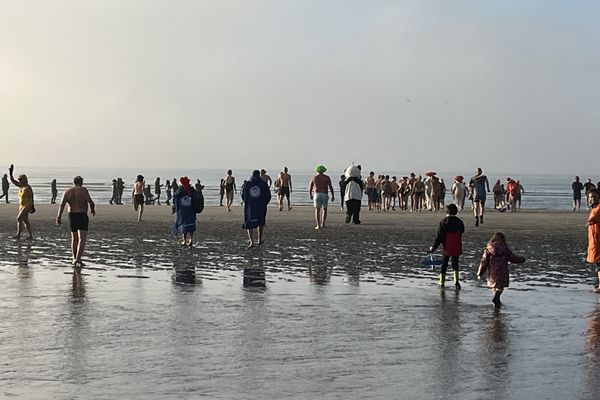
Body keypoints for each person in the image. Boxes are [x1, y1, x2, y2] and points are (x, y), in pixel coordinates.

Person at [477, 232, 525, 308]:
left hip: (492, 272)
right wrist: (522, 259)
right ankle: (497, 298)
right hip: (502, 271)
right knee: (500, 287)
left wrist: (480, 273)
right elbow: (513, 258)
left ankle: (496, 300)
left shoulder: (489, 249)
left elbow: (484, 261)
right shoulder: (505, 249)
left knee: (494, 287)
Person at [55, 176, 96, 267]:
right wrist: (92, 209)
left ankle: (74, 258)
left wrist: (59, 217)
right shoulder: (83, 190)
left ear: (73, 182)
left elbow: (61, 205)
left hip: (72, 215)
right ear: (81, 182)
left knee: (74, 238)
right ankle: (78, 258)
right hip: (81, 215)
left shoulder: (67, 191)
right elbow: (90, 202)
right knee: (82, 239)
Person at [429, 204, 465, 289]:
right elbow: (462, 231)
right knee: (455, 263)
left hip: (447, 246)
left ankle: (442, 282)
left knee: (444, 264)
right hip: (456, 245)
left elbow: (439, 237)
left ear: (447, 211)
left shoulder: (443, 222)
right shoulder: (460, 222)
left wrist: (433, 247)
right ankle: (456, 281)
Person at [241, 170, 271, 247]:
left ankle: (251, 241)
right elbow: (268, 195)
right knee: (260, 223)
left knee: (249, 223)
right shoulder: (263, 184)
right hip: (260, 206)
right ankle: (259, 239)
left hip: (250, 206)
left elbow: (242, 194)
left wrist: (246, 202)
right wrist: (264, 203)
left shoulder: (247, 184)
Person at [9, 164, 35, 240]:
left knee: (19, 218)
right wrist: (11, 172)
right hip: (21, 205)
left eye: (24, 179)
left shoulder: (27, 187)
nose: (24, 180)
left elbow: (31, 197)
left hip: (27, 205)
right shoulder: (21, 186)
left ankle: (19, 235)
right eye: (22, 179)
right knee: (25, 221)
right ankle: (28, 236)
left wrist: (32, 206)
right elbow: (12, 180)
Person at [171, 177, 197, 246]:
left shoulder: (180, 191)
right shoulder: (191, 190)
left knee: (184, 225)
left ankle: (184, 240)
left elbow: (175, 200)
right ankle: (191, 240)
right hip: (191, 211)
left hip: (182, 212)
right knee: (191, 225)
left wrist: (174, 208)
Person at [309, 165, 335, 230]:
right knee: (325, 209)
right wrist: (333, 195)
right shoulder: (327, 177)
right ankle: (323, 223)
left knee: (317, 210)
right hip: (324, 193)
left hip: (317, 194)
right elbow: (330, 187)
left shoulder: (314, 177)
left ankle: (318, 225)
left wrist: (310, 194)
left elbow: (311, 187)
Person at [586, 189, 600, 293]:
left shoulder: (598, 208)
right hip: (594, 240)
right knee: (597, 264)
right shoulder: (594, 208)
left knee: (599, 264)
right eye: (591, 197)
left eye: (594, 196)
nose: (592, 199)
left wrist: (592, 220)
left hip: (598, 240)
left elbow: (595, 218)